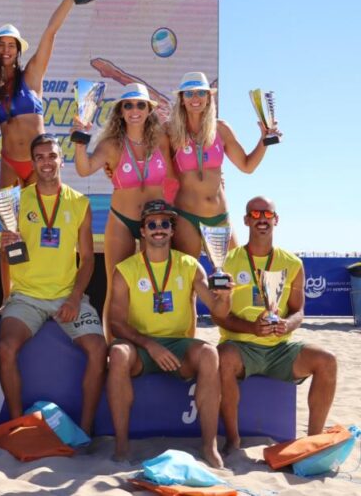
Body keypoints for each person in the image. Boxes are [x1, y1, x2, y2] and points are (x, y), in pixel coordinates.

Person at [107, 200, 230, 467]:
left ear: (173, 231)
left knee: (209, 353)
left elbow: (218, 311)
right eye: (152, 224)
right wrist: (150, 345)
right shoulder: (125, 270)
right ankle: (121, 446)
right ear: (142, 231)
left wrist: (225, 297)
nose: (159, 229)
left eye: (165, 224)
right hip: (140, 347)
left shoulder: (190, 265)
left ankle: (209, 446)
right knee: (117, 353)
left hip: (179, 346)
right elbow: (115, 323)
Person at [0, 134, 106, 437]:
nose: (47, 162)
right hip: (27, 297)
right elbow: (9, 255)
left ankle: (85, 430)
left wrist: (73, 299)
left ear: (61, 159)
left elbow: (87, 260)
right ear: (33, 162)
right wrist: (8, 294)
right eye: (40, 157)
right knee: (5, 348)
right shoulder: (18, 199)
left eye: (52, 156)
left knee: (98, 349)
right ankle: (18, 424)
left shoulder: (79, 203)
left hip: (66, 296)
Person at [215, 196, 337, 454]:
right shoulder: (228, 262)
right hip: (241, 345)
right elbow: (218, 316)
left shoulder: (292, 263)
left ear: (276, 219)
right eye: (256, 215)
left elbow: (299, 311)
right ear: (246, 220)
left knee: (327, 361)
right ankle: (233, 440)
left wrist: (286, 324)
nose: (262, 220)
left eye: (267, 215)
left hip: (280, 348)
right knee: (223, 358)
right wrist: (252, 329)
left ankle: (311, 442)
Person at [73, 83, 174, 340]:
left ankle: (157, 341)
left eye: (140, 104)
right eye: (128, 105)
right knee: (115, 286)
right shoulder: (111, 144)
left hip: (156, 224)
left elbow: (180, 170)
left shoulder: (162, 138)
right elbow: (84, 169)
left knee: (156, 284)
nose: (134, 110)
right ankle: (112, 346)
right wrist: (79, 140)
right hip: (122, 220)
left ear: (149, 109)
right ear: (120, 111)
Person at [168, 72, 279, 257]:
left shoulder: (221, 129)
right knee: (188, 278)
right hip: (185, 216)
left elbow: (247, 166)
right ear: (181, 99)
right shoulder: (169, 131)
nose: (195, 98)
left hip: (219, 216)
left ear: (209, 97)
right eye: (189, 93)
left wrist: (264, 139)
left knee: (235, 276)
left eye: (201, 93)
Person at [0, 0, 79, 188]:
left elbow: (50, 32)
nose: (6, 50)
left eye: (11, 45)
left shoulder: (31, 76)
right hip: (9, 163)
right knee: (9, 221)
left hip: (39, 161)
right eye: (1, 45)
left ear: (18, 50)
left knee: (42, 219)